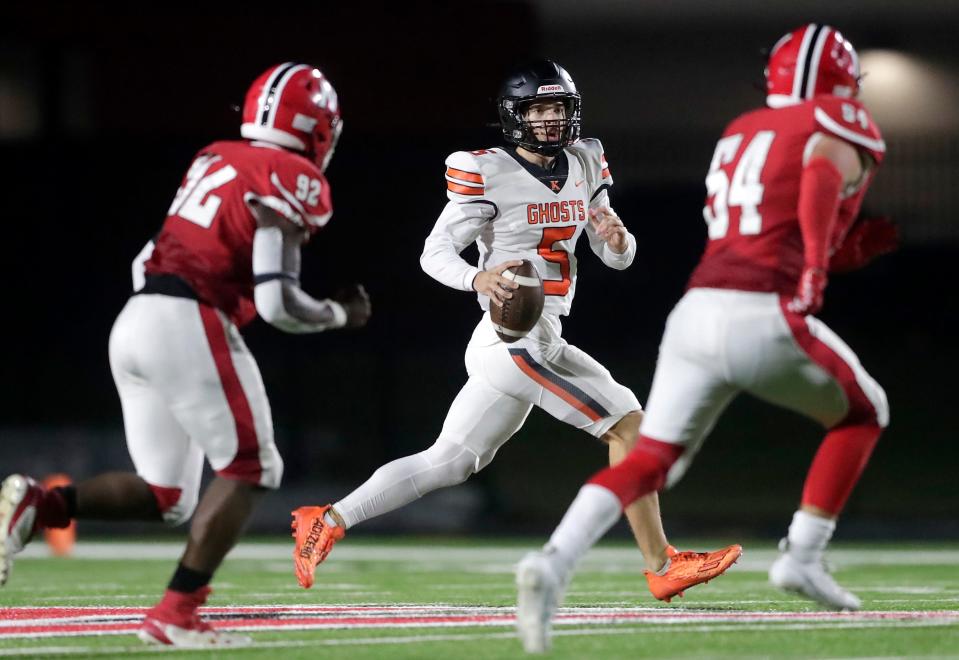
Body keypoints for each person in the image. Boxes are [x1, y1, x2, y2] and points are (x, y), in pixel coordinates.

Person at [291, 59, 740, 599]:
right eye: (539, 108)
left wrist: (618, 242)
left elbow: (615, 255)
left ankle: (326, 519)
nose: (551, 119)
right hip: (510, 339)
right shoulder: (486, 169)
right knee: (629, 428)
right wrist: (477, 278)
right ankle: (661, 564)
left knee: (451, 462)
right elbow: (433, 253)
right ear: (515, 116)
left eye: (558, 108)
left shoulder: (586, 160)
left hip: (543, 334)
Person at [515, 25, 896, 653]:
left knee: (648, 460)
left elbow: (765, 222)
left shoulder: (743, 129)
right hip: (761, 312)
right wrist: (819, 270)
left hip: (696, 312)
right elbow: (824, 170)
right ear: (839, 80)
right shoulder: (837, 119)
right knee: (864, 412)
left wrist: (831, 250)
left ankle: (553, 564)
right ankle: (802, 555)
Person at [0, 62, 370, 648]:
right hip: (187, 318)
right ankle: (177, 613)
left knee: (167, 496)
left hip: (137, 317)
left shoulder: (216, 156)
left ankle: (40, 504)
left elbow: (145, 255)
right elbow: (277, 302)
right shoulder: (291, 175)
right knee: (254, 466)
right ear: (318, 129)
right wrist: (339, 315)